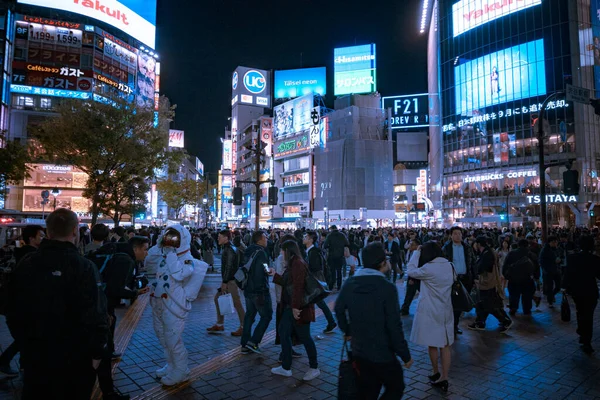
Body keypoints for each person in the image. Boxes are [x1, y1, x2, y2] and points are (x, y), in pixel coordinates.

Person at [5, 208, 109, 400]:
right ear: (75, 231)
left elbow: (12, 308)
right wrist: (96, 354)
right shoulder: (84, 267)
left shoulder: (27, 263)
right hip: (76, 358)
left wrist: (24, 342)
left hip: (36, 356)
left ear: (49, 232)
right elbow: (97, 314)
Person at [336, 242, 413, 399]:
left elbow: (338, 309)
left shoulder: (350, 283)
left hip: (359, 350)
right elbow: (394, 326)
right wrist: (405, 354)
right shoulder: (387, 287)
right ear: (382, 263)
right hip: (383, 353)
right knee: (396, 386)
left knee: (367, 391)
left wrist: (348, 330)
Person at [148, 225, 207, 385]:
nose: (170, 239)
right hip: (159, 301)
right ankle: (171, 365)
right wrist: (160, 245)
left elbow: (179, 274)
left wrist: (171, 254)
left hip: (174, 304)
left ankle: (181, 371)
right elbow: (149, 262)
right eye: (168, 235)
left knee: (172, 338)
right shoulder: (164, 253)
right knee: (163, 336)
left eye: (174, 236)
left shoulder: (187, 259)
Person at [269, 240, 320, 381]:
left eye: (282, 251)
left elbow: (298, 287)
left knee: (305, 336)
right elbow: (287, 282)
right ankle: (286, 367)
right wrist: (274, 275)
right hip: (291, 306)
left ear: (288, 250)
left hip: (299, 307)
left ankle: (314, 367)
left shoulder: (297, 263)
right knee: (283, 331)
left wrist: (295, 307)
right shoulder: (293, 263)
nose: (281, 253)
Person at [407, 242, 454, 393]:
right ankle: (445, 376)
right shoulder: (450, 266)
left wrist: (416, 253)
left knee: (432, 343)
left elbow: (411, 270)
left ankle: (435, 372)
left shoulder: (428, 268)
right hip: (446, 309)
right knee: (445, 344)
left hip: (430, 310)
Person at [0, 225, 44, 378]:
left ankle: (24, 365)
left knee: (26, 337)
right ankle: (5, 361)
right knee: (26, 337)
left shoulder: (18, 253)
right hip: (23, 306)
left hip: (14, 304)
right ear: (32, 238)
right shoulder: (33, 257)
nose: (43, 238)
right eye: (41, 236)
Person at [562, 235, 600, 354]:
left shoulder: (572, 258)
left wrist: (564, 287)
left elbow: (567, 273)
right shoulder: (595, 259)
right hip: (591, 291)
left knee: (580, 311)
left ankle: (582, 333)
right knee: (588, 315)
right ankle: (586, 340)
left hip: (577, 291)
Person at [468, 236, 513, 333]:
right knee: (482, 304)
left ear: (479, 244)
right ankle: (480, 322)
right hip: (488, 283)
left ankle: (505, 320)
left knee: (489, 304)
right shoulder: (488, 252)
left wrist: (476, 276)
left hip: (487, 283)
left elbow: (481, 268)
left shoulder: (487, 254)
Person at [207, 230, 245, 336]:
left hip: (230, 281)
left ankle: (244, 326)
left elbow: (229, 267)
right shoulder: (230, 248)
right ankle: (220, 324)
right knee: (218, 298)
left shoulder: (229, 250)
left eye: (220, 237)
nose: (217, 238)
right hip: (230, 279)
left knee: (237, 303)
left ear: (226, 238)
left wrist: (224, 282)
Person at [240, 231, 273, 354]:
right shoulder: (261, 252)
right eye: (265, 237)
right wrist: (267, 272)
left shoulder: (248, 250)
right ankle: (253, 342)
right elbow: (262, 270)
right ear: (259, 239)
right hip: (258, 290)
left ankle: (244, 343)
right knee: (267, 315)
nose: (266, 239)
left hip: (248, 288)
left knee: (249, 315)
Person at [442, 227, 476, 334]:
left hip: (466, 278)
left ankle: (455, 325)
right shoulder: (446, 248)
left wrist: (475, 277)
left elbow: (473, 262)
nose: (458, 236)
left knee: (461, 303)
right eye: (455, 234)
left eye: (459, 234)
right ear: (451, 235)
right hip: (452, 280)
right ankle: (451, 325)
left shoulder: (467, 247)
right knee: (453, 303)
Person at [303, 231, 336, 334]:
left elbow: (315, 268)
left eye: (306, 237)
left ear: (311, 240)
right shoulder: (310, 251)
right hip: (314, 283)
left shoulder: (313, 252)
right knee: (320, 303)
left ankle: (331, 322)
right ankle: (331, 322)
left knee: (316, 303)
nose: (303, 238)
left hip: (314, 283)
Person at [502, 239, 539, 316]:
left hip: (514, 279)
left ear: (518, 245)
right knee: (527, 296)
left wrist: (506, 276)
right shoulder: (531, 254)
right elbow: (536, 267)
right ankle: (527, 310)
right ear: (527, 245)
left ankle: (513, 308)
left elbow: (505, 266)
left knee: (513, 295)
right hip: (527, 279)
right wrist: (536, 277)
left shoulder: (511, 253)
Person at [323, 225, 349, 291]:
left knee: (332, 271)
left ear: (331, 229)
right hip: (340, 255)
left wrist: (330, 247)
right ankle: (339, 285)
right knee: (339, 270)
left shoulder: (329, 235)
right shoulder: (342, 235)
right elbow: (347, 243)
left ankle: (332, 285)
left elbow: (325, 245)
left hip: (331, 255)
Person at [539, 236, 562, 307]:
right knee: (549, 287)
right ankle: (550, 301)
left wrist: (559, 261)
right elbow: (541, 261)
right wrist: (547, 268)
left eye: (556, 242)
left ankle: (552, 296)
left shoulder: (556, 249)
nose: (555, 243)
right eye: (553, 242)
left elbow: (559, 257)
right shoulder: (545, 250)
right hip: (548, 271)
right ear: (549, 242)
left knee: (558, 286)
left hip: (556, 270)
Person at [401, 238, 422, 315]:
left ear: (417, 246)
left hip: (416, 276)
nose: (410, 246)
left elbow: (416, 266)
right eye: (410, 244)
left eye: (412, 245)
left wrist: (412, 278)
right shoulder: (410, 252)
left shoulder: (419, 254)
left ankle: (405, 308)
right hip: (411, 275)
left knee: (411, 293)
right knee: (409, 293)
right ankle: (405, 309)